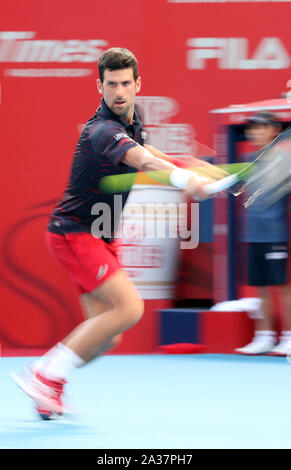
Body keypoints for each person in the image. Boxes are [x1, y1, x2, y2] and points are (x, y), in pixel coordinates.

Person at [12, 47, 223, 419]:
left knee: (107, 334)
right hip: (75, 234)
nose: (120, 92)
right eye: (112, 85)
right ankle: (44, 373)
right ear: (100, 86)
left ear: (138, 84)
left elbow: (147, 149)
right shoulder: (102, 130)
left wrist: (190, 166)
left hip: (102, 237)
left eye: (126, 83)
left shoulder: (131, 118)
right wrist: (185, 179)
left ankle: (51, 385)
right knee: (129, 308)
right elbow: (140, 160)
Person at [235, 112, 291, 356]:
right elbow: (234, 187)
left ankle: (288, 337)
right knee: (261, 288)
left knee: (283, 287)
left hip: (275, 234)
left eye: (261, 128)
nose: (255, 132)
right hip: (253, 234)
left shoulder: (285, 160)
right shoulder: (248, 159)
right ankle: (265, 337)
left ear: (274, 131)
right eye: (252, 128)